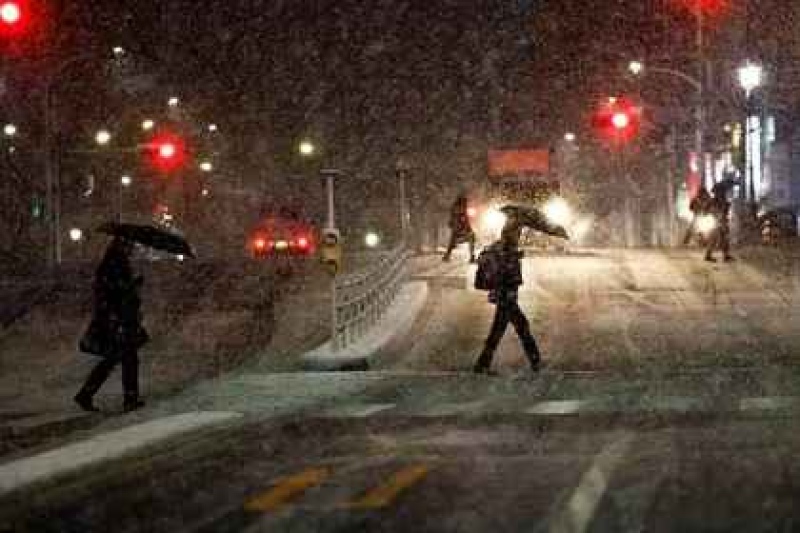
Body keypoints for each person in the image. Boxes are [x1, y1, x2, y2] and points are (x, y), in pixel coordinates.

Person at [473, 205, 568, 375]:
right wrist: (554, 230)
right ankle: (534, 362)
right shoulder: (511, 230)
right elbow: (507, 257)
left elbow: (533, 226)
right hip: (507, 287)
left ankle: (484, 363)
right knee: (517, 326)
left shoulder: (510, 228)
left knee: (504, 327)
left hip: (506, 287)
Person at [75, 237, 148, 412]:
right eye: (130, 246)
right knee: (127, 358)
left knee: (115, 358)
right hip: (118, 320)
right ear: (123, 246)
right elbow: (116, 292)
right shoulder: (115, 265)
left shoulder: (112, 263)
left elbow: (111, 291)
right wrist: (133, 286)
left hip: (116, 319)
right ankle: (129, 398)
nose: (132, 249)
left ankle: (87, 394)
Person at [705, 182, 734, 263]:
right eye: (718, 191)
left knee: (724, 239)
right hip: (714, 221)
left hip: (722, 222)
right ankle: (708, 255)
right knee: (713, 238)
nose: (720, 193)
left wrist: (724, 217)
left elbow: (726, 212)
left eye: (721, 191)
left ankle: (726, 255)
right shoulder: (712, 201)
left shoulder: (725, 202)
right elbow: (706, 210)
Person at [443, 192, 477, 263]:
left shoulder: (457, 208)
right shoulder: (459, 208)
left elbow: (463, 218)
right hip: (460, 228)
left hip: (460, 228)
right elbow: (462, 218)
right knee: (470, 237)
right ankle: (471, 256)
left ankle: (447, 255)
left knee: (453, 241)